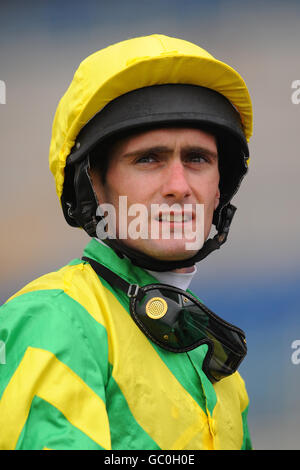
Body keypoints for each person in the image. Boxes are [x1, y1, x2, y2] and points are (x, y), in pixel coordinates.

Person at [0, 34, 253, 450]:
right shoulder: (52, 320)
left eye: (197, 159)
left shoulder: (220, 369)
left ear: (219, 188)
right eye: (148, 158)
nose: (179, 186)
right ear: (93, 185)